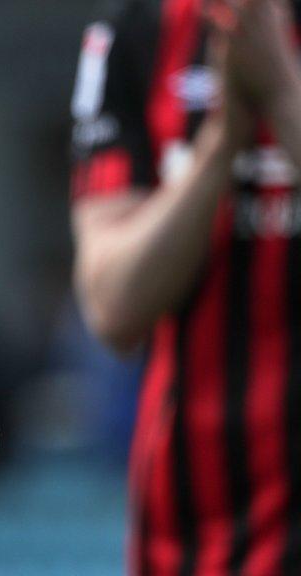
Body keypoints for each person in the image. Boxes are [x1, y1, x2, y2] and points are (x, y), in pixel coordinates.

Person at [70, 0, 301, 573]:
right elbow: (113, 308)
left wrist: (281, 95)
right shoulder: (136, 31)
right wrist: (223, 142)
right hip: (194, 538)